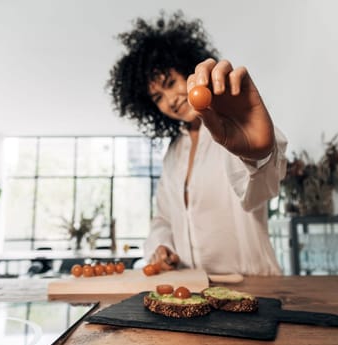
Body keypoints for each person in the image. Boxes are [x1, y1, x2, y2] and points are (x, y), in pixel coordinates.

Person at [107, 11, 287, 276]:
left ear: (189, 70)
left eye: (171, 83)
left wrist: (258, 154)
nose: (171, 100)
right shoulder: (173, 153)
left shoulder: (233, 126)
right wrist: (161, 247)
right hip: (190, 292)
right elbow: (164, 218)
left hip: (252, 287)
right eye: (158, 97)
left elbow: (261, 191)